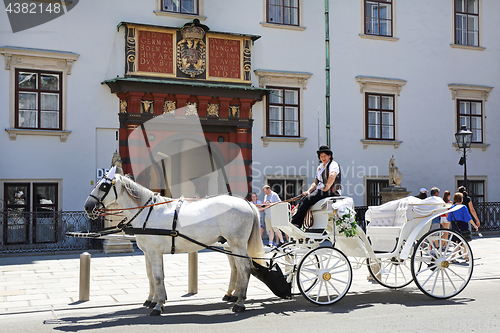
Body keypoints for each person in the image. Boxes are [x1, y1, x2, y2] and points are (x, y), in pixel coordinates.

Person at [291, 145, 341, 228]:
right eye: (321, 156)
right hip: (322, 190)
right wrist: (308, 191)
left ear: (329, 156)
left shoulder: (333, 164)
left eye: (325, 156)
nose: (323, 158)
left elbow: (332, 175)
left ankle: (296, 223)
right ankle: (299, 222)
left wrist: (326, 188)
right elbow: (315, 183)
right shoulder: (320, 167)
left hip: (332, 191)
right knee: (304, 198)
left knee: (308, 199)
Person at [447, 192, 478, 261]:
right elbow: (468, 218)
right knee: (464, 241)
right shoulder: (463, 207)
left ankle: (456, 257)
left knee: (457, 242)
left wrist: (448, 229)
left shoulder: (452, 207)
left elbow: (449, 219)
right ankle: (466, 256)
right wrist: (475, 226)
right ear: (461, 200)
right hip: (463, 225)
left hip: (454, 225)